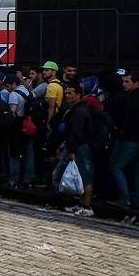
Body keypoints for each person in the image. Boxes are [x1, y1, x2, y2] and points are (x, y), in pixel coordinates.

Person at [52, 84, 95, 216]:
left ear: (78, 94)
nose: (67, 96)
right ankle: (79, 203)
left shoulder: (79, 111)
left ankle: (86, 206)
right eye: (66, 93)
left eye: (70, 93)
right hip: (77, 146)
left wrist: (72, 151)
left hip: (80, 147)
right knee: (78, 175)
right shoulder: (77, 109)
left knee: (85, 177)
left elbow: (77, 133)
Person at [110, 72, 139, 209]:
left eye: (127, 82)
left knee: (117, 166)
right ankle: (138, 200)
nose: (124, 84)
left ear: (136, 83)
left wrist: (121, 129)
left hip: (130, 138)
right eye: (123, 81)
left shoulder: (131, 97)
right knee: (137, 170)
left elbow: (128, 119)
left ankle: (125, 199)